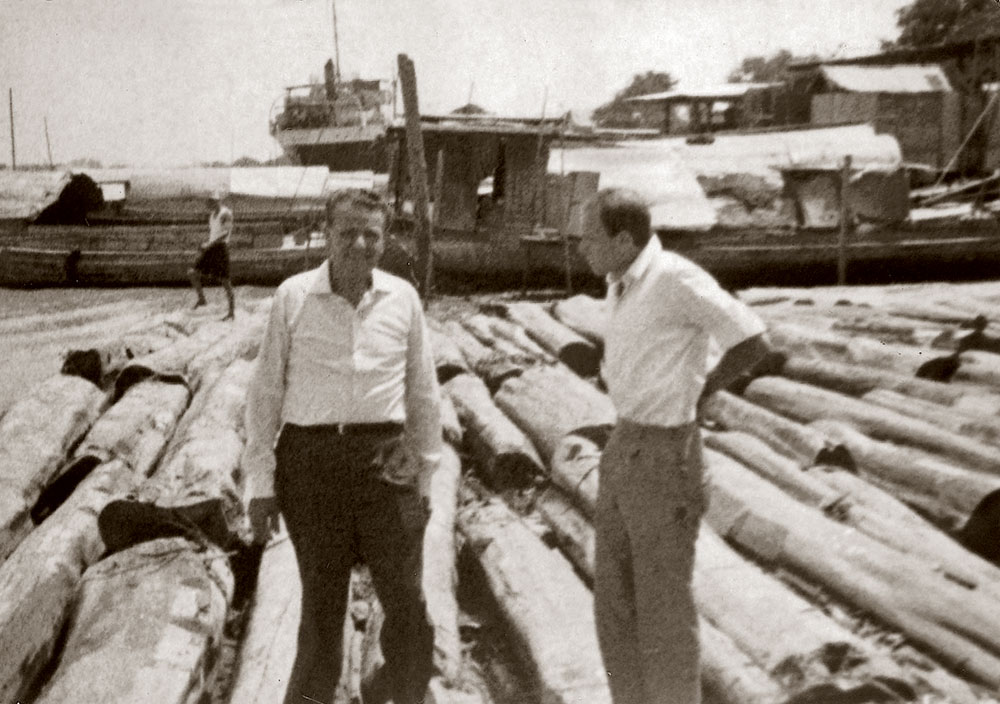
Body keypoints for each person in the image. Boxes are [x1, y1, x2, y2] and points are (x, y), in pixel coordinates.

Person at [243, 188, 440, 704]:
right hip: (312, 463)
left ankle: (394, 692)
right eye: (347, 232)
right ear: (326, 234)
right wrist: (260, 486)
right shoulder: (293, 297)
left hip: (388, 459)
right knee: (323, 612)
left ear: (385, 238)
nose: (359, 243)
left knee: (409, 606)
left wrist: (426, 476)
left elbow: (423, 394)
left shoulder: (403, 299)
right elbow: (265, 396)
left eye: (371, 233)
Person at [577, 188, 769, 704]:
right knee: (614, 600)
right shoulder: (621, 283)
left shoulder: (675, 278)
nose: (580, 248)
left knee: (663, 610)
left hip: (664, 453)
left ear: (622, 238)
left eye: (588, 237)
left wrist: (703, 390)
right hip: (624, 444)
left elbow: (751, 339)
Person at [190, 192, 236, 320]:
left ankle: (231, 312)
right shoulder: (212, 215)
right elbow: (214, 233)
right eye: (209, 202)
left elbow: (225, 234)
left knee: (225, 281)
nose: (210, 204)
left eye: (213, 201)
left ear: (219, 201)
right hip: (211, 247)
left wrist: (209, 245)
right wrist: (206, 244)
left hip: (220, 248)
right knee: (193, 273)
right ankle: (202, 299)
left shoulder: (226, 214)